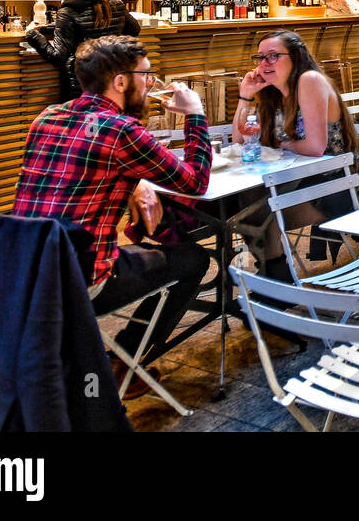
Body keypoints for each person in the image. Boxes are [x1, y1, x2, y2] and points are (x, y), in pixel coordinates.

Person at [12, 36, 211, 391]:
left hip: (23, 274)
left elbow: (82, 166)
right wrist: (195, 114)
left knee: (142, 252)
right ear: (120, 81)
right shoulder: (122, 130)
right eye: (146, 76)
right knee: (192, 258)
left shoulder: (47, 117)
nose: (150, 84)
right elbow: (195, 182)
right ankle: (124, 365)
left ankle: (101, 358)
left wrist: (137, 183)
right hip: (80, 281)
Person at [230, 30, 359, 276]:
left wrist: (276, 146)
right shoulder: (272, 95)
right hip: (292, 183)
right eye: (260, 57)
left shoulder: (309, 80)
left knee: (251, 211)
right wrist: (246, 96)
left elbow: (314, 148)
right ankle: (276, 273)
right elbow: (241, 141)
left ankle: (276, 275)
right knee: (243, 209)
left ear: (295, 57)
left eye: (273, 56)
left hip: (334, 186)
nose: (263, 64)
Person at [25, 0, 140, 102]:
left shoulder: (68, 11)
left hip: (82, 87)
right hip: (114, 83)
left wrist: (32, 33)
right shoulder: (116, 6)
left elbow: (57, 56)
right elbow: (134, 29)